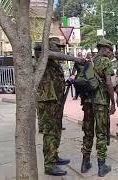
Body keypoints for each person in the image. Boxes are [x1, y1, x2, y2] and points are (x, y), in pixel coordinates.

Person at [80, 39, 116, 177]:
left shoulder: (89, 61)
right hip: (101, 102)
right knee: (101, 133)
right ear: (104, 48)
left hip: (87, 102)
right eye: (109, 49)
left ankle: (85, 163)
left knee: (88, 132)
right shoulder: (106, 62)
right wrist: (113, 102)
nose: (110, 52)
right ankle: (102, 166)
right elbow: (108, 83)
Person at [36, 37, 71, 176]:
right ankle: (49, 165)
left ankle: (54, 156)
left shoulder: (54, 63)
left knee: (56, 130)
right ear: (49, 45)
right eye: (57, 46)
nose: (59, 48)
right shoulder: (42, 55)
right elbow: (50, 53)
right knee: (50, 132)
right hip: (47, 102)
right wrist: (76, 59)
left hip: (56, 101)